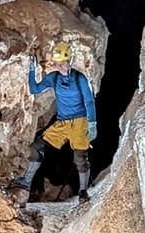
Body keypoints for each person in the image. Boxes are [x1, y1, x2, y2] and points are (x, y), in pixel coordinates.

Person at [15, 39, 97, 197]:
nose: (60, 66)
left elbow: (89, 101)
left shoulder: (80, 79)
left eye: (63, 63)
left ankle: (83, 191)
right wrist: (32, 70)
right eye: (57, 63)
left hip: (80, 121)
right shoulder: (54, 78)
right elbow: (34, 89)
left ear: (69, 61)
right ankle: (26, 182)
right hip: (62, 122)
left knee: (80, 157)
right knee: (36, 147)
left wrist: (92, 122)